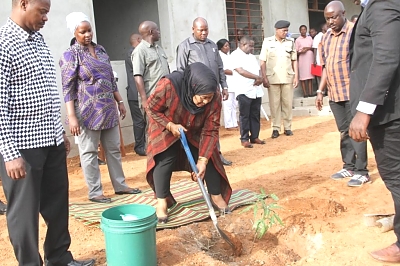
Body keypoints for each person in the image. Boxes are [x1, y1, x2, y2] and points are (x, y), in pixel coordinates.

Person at [0, 1, 95, 265]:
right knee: (24, 214)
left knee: (57, 206)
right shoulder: (3, 44)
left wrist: (59, 133)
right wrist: (9, 153)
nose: (46, 18)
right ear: (23, 4)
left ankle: (59, 258)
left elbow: (47, 93)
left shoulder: (39, 40)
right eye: (42, 11)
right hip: (22, 148)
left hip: (50, 142)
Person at [60, 12, 141, 204]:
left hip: (108, 108)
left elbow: (110, 80)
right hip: (87, 112)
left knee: (113, 148)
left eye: (89, 30)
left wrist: (120, 101)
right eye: (82, 32)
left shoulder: (102, 50)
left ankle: (120, 185)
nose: (87, 35)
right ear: (74, 32)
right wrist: (71, 116)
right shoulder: (70, 55)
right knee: (89, 152)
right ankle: (95, 192)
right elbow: (67, 87)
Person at [145, 62, 232, 223]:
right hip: (166, 126)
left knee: (210, 155)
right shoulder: (168, 86)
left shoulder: (215, 96)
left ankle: (216, 195)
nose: (206, 102)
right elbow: (151, 108)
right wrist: (170, 125)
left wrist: (202, 161)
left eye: (209, 98)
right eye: (203, 98)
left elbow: (211, 130)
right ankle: (162, 202)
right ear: (193, 88)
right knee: (165, 158)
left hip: (195, 130)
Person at [349, 0, 400, 262]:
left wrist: (364, 110)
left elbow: (387, 56)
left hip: (389, 113)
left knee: (396, 177)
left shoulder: (381, 5)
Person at [315, 1, 369, 187]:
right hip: (335, 92)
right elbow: (325, 66)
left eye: (334, 17)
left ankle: (362, 171)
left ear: (343, 13)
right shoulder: (326, 37)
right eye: (327, 18)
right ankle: (349, 165)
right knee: (344, 131)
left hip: (352, 91)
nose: (330, 21)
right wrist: (320, 91)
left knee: (357, 131)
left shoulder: (355, 31)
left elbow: (363, 62)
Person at [176, 17, 232, 166]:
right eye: (201, 30)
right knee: (196, 126)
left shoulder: (213, 45)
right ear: (193, 29)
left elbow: (220, 68)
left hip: (214, 93)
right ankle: (196, 159)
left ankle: (217, 156)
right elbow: (181, 71)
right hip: (196, 96)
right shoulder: (185, 46)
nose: (204, 32)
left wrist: (224, 86)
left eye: (206, 29)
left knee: (213, 125)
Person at [259, 20, 298, 139]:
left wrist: (296, 75)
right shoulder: (267, 42)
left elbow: (294, 60)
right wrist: (264, 77)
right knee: (274, 104)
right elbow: (262, 61)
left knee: (287, 103)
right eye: (283, 30)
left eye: (287, 30)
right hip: (273, 78)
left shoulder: (291, 42)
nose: (285, 33)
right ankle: (275, 128)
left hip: (287, 77)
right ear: (276, 30)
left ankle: (287, 127)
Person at [230, 36, 265, 148]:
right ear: (243, 44)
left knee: (255, 114)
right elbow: (240, 71)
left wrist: (260, 78)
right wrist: (257, 78)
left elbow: (258, 70)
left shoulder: (251, 57)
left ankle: (254, 136)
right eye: (250, 46)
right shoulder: (235, 55)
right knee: (244, 115)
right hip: (244, 90)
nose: (252, 48)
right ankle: (244, 138)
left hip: (256, 90)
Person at [133, 21, 169, 110]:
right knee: (153, 124)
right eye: (157, 30)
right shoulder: (140, 51)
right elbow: (138, 76)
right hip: (152, 98)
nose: (159, 32)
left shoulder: (159, 49)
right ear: (151, 32)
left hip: (166, 96)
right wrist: (144, 99)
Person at [125, 33, 146, 156]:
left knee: (143, 121)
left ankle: (144, 145)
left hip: (138, 93)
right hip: (135, 94)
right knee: (139, 121)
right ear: (138, 40)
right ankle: (139, 147)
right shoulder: (132, 53)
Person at [217, 38, 238, 131]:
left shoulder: (229, 55)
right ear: (221, 47)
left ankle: (234, 122)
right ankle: (229, 124)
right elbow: (222, 70)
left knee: (234, 104)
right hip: (226, 82)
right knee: (227, 104)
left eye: (228, 45)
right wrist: (235, 72)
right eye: (225, 46)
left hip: (234, 82)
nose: (228, 47)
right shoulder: (219, 56)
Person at [295, 25, 314, 98]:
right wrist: (301, 52)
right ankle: (305, 93)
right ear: (300, 31)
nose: (303, 31)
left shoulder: (309, 38)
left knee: (310, 77)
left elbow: (313, 48)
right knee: (303, 77)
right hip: (302, 59)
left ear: (306, 30)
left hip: (310, 59)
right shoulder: (298, 40)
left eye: (304, 29)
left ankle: (310, 92)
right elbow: (296, 52)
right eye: (302, 30)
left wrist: (308, 48)